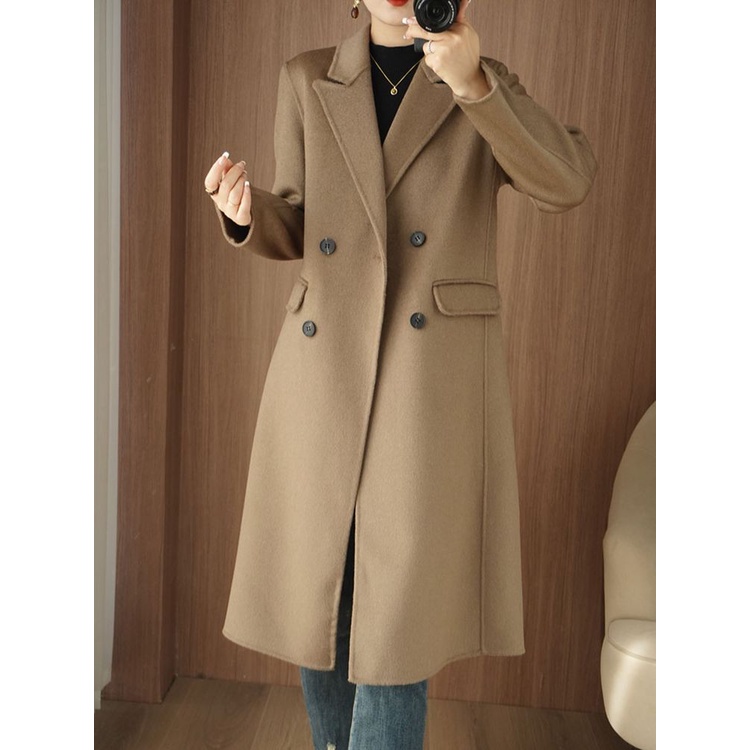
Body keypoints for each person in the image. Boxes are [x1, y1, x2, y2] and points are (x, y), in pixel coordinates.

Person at [203, 1, 597, 748]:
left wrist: (474, 85)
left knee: (396, 617)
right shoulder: (307, 78)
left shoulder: (481, 80)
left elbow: (568, 181)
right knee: (321, 590)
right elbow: (300, 221)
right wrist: (245, 214)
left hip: (428, 380)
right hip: (325, 368)